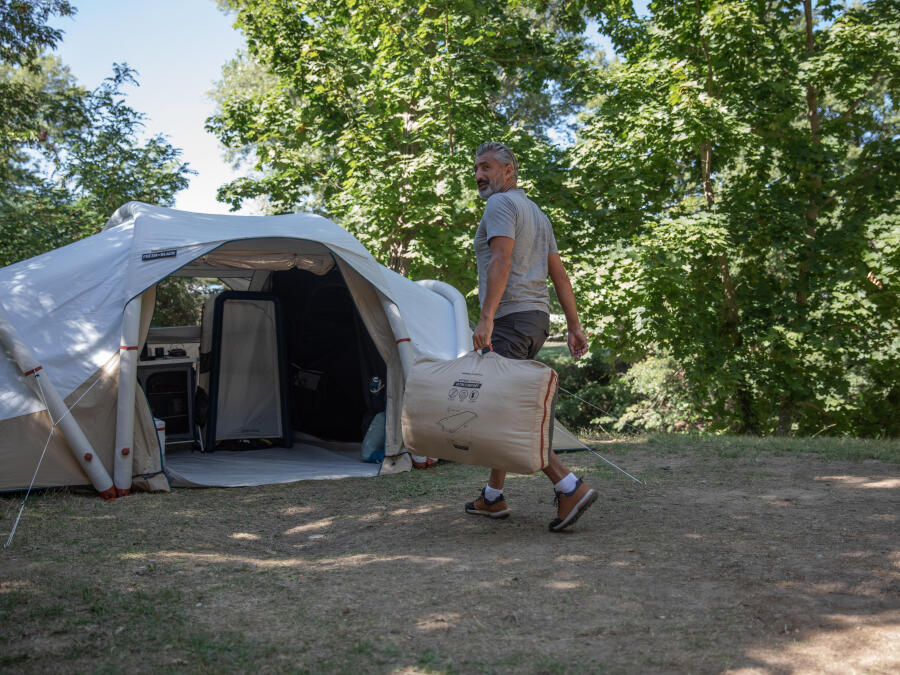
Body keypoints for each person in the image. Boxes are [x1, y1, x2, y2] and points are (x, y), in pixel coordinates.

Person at [464, 141, 597, 532]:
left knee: (503, 412)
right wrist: (573, 325)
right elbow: (559, 274)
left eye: (486, 167)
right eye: (476, 168)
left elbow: (501, 259)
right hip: (536, 320)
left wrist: (486, 318)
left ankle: (569, 485)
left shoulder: (500, 206)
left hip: (509, 319)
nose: (478, 175)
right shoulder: (537, 213)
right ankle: (492, 496)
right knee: (506, 405)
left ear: (509, 172)